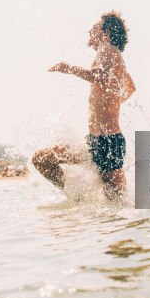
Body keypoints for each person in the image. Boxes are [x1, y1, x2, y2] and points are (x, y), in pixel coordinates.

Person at [31, 11, 136, 199]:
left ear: (106, 33)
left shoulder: (109, 49)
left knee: (119, 203)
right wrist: (113, 102)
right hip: (95, 141)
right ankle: (77, 196)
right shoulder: (113, 55)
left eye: (94, 27)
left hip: (108, 142)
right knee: (42, 159)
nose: (90, 31)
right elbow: (130, 87)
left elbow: (99, 76)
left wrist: (68, 68)